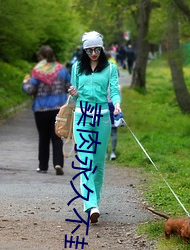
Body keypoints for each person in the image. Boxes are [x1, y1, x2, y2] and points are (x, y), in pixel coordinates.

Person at [68, 31, 121, 223]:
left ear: (102, 48)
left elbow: (114, 90)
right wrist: (73, 92)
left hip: (103, 118)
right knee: (86, 162)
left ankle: (95, 202)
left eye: (97, 49)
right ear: (84, 50)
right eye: (89, 50)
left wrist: (116, 104)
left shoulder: (110, 68)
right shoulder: (76, 68)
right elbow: (74, 97)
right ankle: (90, 205)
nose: (93, 53)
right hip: (82, 116)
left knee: (98, 163)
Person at [22, 45, 71, 175]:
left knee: (43, 138)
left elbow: (30, 90)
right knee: (57, 137)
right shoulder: (62, 70)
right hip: (58, 109)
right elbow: (69, 87)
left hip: (41, 109)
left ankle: (43, 166)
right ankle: (58, 163)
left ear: (41, 57)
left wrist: (25, 83)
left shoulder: (37, 71)